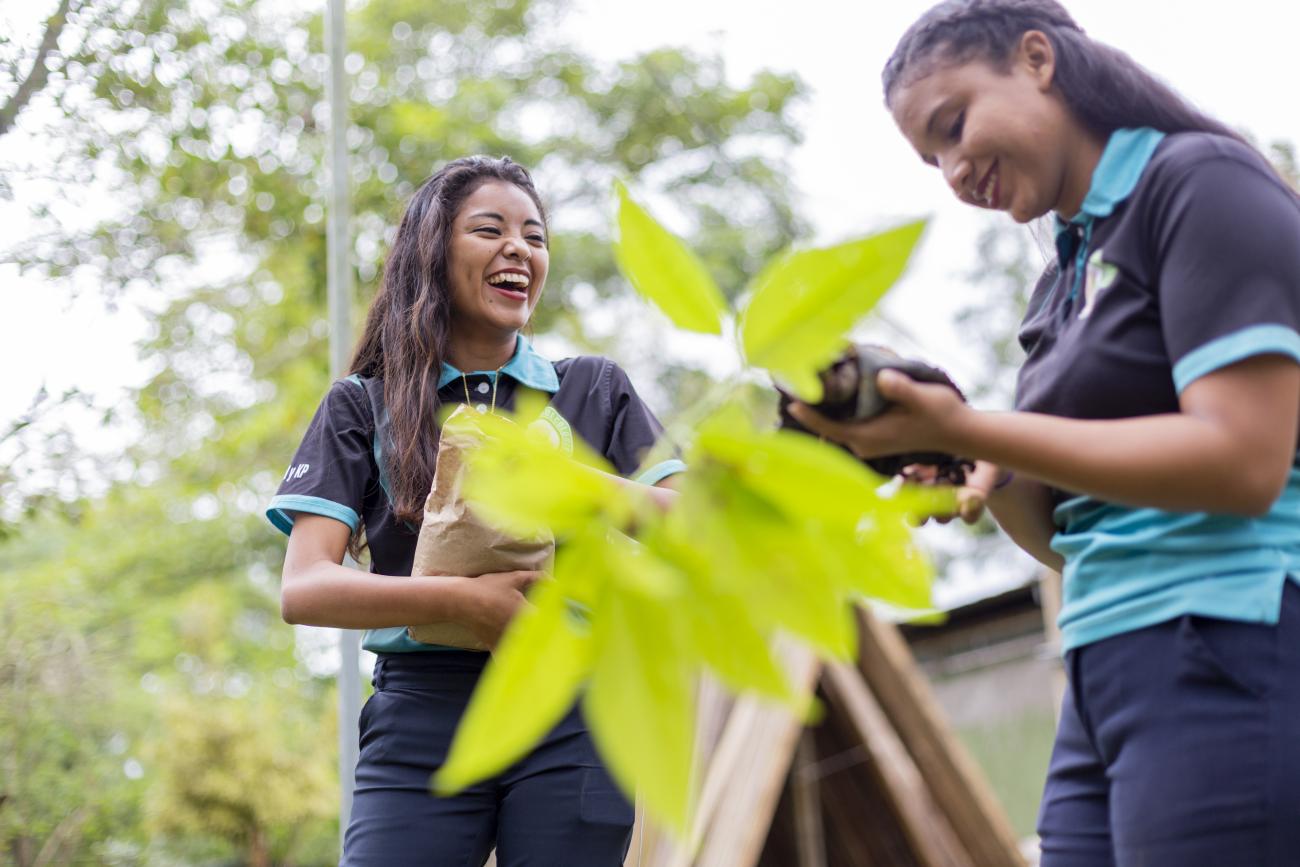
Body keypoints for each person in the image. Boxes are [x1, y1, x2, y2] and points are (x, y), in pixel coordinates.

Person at [790, 2, 1300, 864]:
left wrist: (982, 426)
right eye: (931, 158)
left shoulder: (1197, 182)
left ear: (1037, 60)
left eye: (954, 126)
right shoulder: (1057, 282)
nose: (953, 171)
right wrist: (973, 462)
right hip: (1101, 666)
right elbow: (1065, 538)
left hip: (1222, 632)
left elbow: (1245, 461)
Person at [266, 155, 683, 864]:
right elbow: (304, 586)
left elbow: (694, 523)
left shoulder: (593, 389)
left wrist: (571, 484)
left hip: (576, 704)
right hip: (419, 711)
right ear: (433, 250)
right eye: (489, 229)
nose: (519, 248)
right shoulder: (363, 405)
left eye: (535, 236)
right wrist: (464, 602)